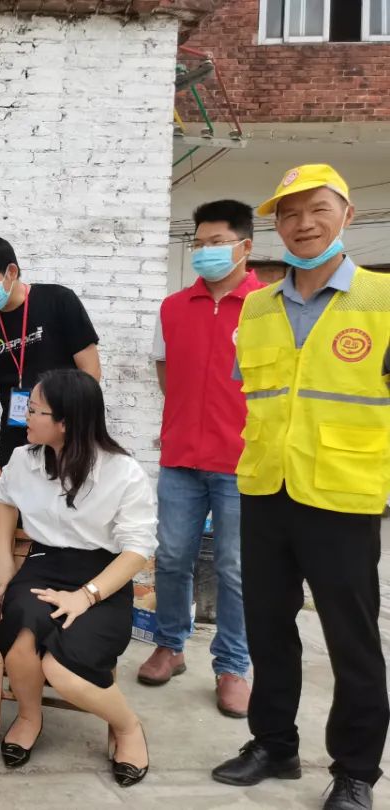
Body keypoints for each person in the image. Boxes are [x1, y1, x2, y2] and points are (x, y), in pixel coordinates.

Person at [211, 165, 390, 810]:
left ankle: (356, 771)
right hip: (265, 488)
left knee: (351, 638)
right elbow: (259, 397)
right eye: (288, 214)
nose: (303, 224)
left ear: (348, 216)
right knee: (267, 626)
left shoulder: (382, 299)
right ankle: (274, 744)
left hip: (344, 493)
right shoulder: (257, 306)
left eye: (317, 209)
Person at [0, 369, 155, 786]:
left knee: (63, 671)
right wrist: (4, 561)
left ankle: (127, 727)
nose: (24, 417)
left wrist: (87, 595)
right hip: (44, 563)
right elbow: (5, 501)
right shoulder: (24, 460)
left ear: (65, 422)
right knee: (22, 639)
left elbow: (138, 549)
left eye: (34, 411)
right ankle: (29, 717)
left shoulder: (122, 472)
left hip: (102, 576)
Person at [137, 200, 262, 718]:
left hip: (242, 460)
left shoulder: (266, 307)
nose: (205, 251)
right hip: (181, 456)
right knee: (171, 556)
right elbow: (165, 370)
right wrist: (190, 418)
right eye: (199, 243)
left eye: (217, 243)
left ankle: (232, 666)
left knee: (235, 568)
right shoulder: (173, 307)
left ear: (245, 247)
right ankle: (169, 645)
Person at [0, 236, 101, 491]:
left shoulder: (59, 301)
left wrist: (73, 427)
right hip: (17, 436)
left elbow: (90, 371)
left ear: (11, 272)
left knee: (68, 506)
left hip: (66, 434)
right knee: (12, 508)